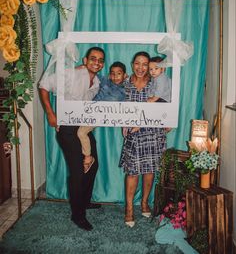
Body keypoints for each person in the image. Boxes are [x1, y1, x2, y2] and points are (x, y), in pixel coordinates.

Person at [39, 47, 105, 231]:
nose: (96, 62)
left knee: (93, 165)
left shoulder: (98, 82)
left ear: (103, 64)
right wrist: (50, 114)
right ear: (85, 60)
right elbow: (43, 86)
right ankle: (77, 215)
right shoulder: (71, 74)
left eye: (100, 60)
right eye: (93, 58)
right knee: (77, 172)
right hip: (67, 129)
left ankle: (84, 202)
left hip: (83, 128)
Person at [119, 51, 167, 228]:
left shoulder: (156, 82)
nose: (141, 67)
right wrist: (124, 123)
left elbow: (165, 103)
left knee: (149, 170)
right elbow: (118, 105)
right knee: (132, 172)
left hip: (153, 133)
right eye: (137, 63)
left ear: (149, 66)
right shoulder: (124, 82)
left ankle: (145, 202)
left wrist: (169, 121)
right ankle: (129, 209)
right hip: (133, 134)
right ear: (132, 64)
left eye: (145, 64)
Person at [77, 61, 127, 174]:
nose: (115, 76)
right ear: (109, 75)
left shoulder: (125, 91)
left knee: (81, 132)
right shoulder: (104, 80)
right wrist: (82, 67)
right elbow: (92, 73)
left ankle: (88, 157)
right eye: (113, 73)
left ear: (124, 75)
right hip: (87, 110)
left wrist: (125, 125)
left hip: (99, 116)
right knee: (72, 127)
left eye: (119, 73)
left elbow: (126, 109)